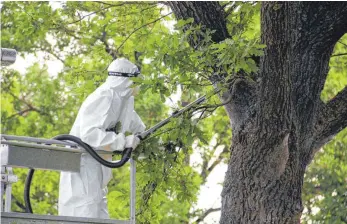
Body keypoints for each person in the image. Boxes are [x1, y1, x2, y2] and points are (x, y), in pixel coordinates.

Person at [59, 58, 146, 218]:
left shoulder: (125, 100)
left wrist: (150, 138)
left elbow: (134, 123)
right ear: (125, 79)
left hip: (97, 166)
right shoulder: (104, 96)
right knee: (84, 212)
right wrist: (122, 142)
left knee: (99, 216)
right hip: (82, 164)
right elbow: (89, 134)